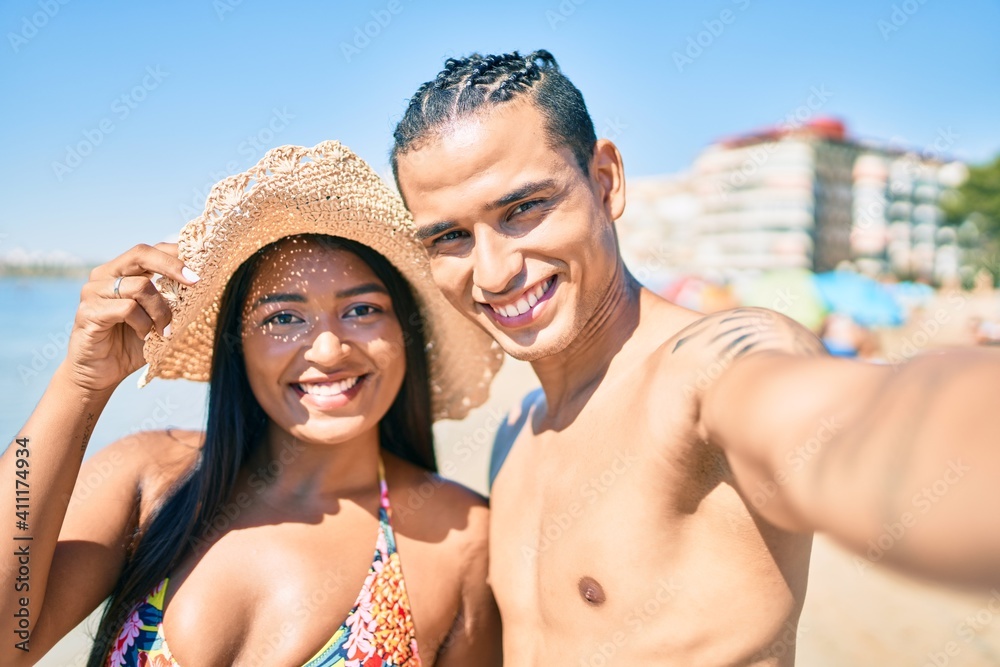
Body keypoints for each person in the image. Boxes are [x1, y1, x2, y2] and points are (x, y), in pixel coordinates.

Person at [389, 49, 1000, 664]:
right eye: (450, 237)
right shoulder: (516, 431)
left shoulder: (708, 370)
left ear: (605, 182)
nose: (493, 273)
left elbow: (866, 428)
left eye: (523, 209)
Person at [1, 142, 503, 666]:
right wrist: (82, 384)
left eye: (361, 309)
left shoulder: (461, 538)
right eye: (283, 317)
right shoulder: (150, 480)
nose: (329, 349)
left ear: (404, 329)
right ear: (236, 344)